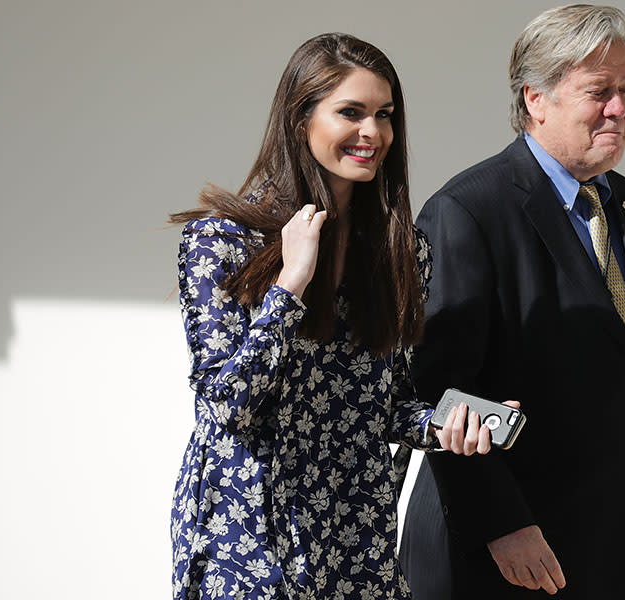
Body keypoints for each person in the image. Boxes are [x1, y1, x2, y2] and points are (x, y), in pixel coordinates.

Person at [168, 33, 508, 600]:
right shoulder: (223, 241)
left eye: (384, 115)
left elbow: (383, 407)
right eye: (350, 112)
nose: (372, 133)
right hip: (250, 527)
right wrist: (290, 283)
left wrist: (454, 427)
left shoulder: (402, 252)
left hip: (356, 531)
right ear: (301, 121)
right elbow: (226, 405)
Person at [400, 5, 625, 600]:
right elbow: (438, 393)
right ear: (535, 99)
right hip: (512, 557)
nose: (619, 107)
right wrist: (502, 523)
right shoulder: (468, 212)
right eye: (599, 91)